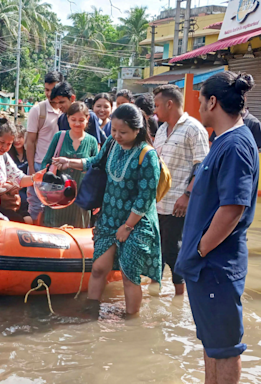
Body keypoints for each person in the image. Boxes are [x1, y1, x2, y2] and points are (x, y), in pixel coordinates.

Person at [175, 72, 259, 384]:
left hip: (216, 266)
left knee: (225, 349)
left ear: (213, 101)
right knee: (213, 345)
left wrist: (200, 249)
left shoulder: (235, 144)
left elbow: (233, 208)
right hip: (207, 265)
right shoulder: (224, 141)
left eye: (199, 100)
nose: (197, 107)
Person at [86, 104, 161, 315]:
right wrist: (70, 162)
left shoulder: (148, 155)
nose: (117, 135)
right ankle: (90, 313)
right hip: (109, 218)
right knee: (99, 267)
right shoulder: (111, 143)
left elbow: (145, 198)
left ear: (137, 130)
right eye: (114, 130)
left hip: (136, 222)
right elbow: (95, 162)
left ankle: (130, 322)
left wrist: (127, 227)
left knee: (130, 275)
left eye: (123, 132)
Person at [153, 85, 209, 295]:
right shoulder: (160, 130)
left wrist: (187, 195)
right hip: (157, 204)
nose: (155, 111)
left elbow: (202, 166)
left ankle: (179, 297)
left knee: (173, 251)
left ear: (170, 104)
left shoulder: (193, 128)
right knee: (155, 251)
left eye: (157, 105)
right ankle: (154, 294)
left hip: (179, 205)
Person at [42, 101, 98, 228]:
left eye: (81, 120)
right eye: (73, 119)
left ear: (87, 119)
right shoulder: (59, 136)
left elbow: (96, 169)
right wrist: (45, 182)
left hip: (81, 196)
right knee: (54, 230)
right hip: (58, 193)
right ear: (67, 119)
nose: (77, 124)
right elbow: (46, 162)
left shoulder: (92, 141)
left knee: (78, 230)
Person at [26, 71, 63, 223]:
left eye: (52, 89)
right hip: (39, 165)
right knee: (36, 206)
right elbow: (30, 141)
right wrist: (32, 170)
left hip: (60, 167)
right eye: (46, 90)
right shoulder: (38, 110)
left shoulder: (67, 111)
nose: (49, 94)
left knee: (57, 205)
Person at [5, 124, 30, 220]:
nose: (17, 141)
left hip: (27, 186)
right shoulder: (7, 155)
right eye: (15, 138)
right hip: (14, 189)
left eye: (20, 137)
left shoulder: (30, 154)